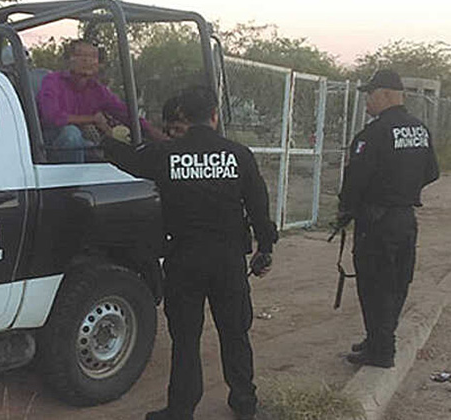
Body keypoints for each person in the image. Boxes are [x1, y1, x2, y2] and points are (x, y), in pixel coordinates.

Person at [101, 86, 278, 420]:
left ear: (183, 116)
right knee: (235, 334)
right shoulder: (238, 155)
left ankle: (180, 409)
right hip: (228, 261)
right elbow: (259, 209)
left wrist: (104, 137)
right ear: (214, 115)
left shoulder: (166, 154)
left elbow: (129, 160)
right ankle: (244, 404)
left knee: (185, 339)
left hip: (184, 259)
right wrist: (265, 250)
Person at [337, 69, 439, 368]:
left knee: (374, 286)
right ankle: (378, 339)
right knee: (396, 283)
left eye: (370, 95)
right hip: (406, 219)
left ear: (385, 95)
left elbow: (354, 181)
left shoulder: (373, 134)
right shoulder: (419, 129)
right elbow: (432, 172)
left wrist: (346, 211)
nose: (367, 102)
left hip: (376, 222)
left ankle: (382, 351)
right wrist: (403, 190)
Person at [36, 39, 165, 163]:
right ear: (69, 60)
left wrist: (160, 137)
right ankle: (71, 185)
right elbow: (51, 117)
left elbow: (125, 113)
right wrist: (92, 119)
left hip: (81, 144)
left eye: (93, 56)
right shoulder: (52, 81)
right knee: (71, 134)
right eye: (81, 55)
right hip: (48, 144)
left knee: (109, 148)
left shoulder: (97, 90)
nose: (87, 60)